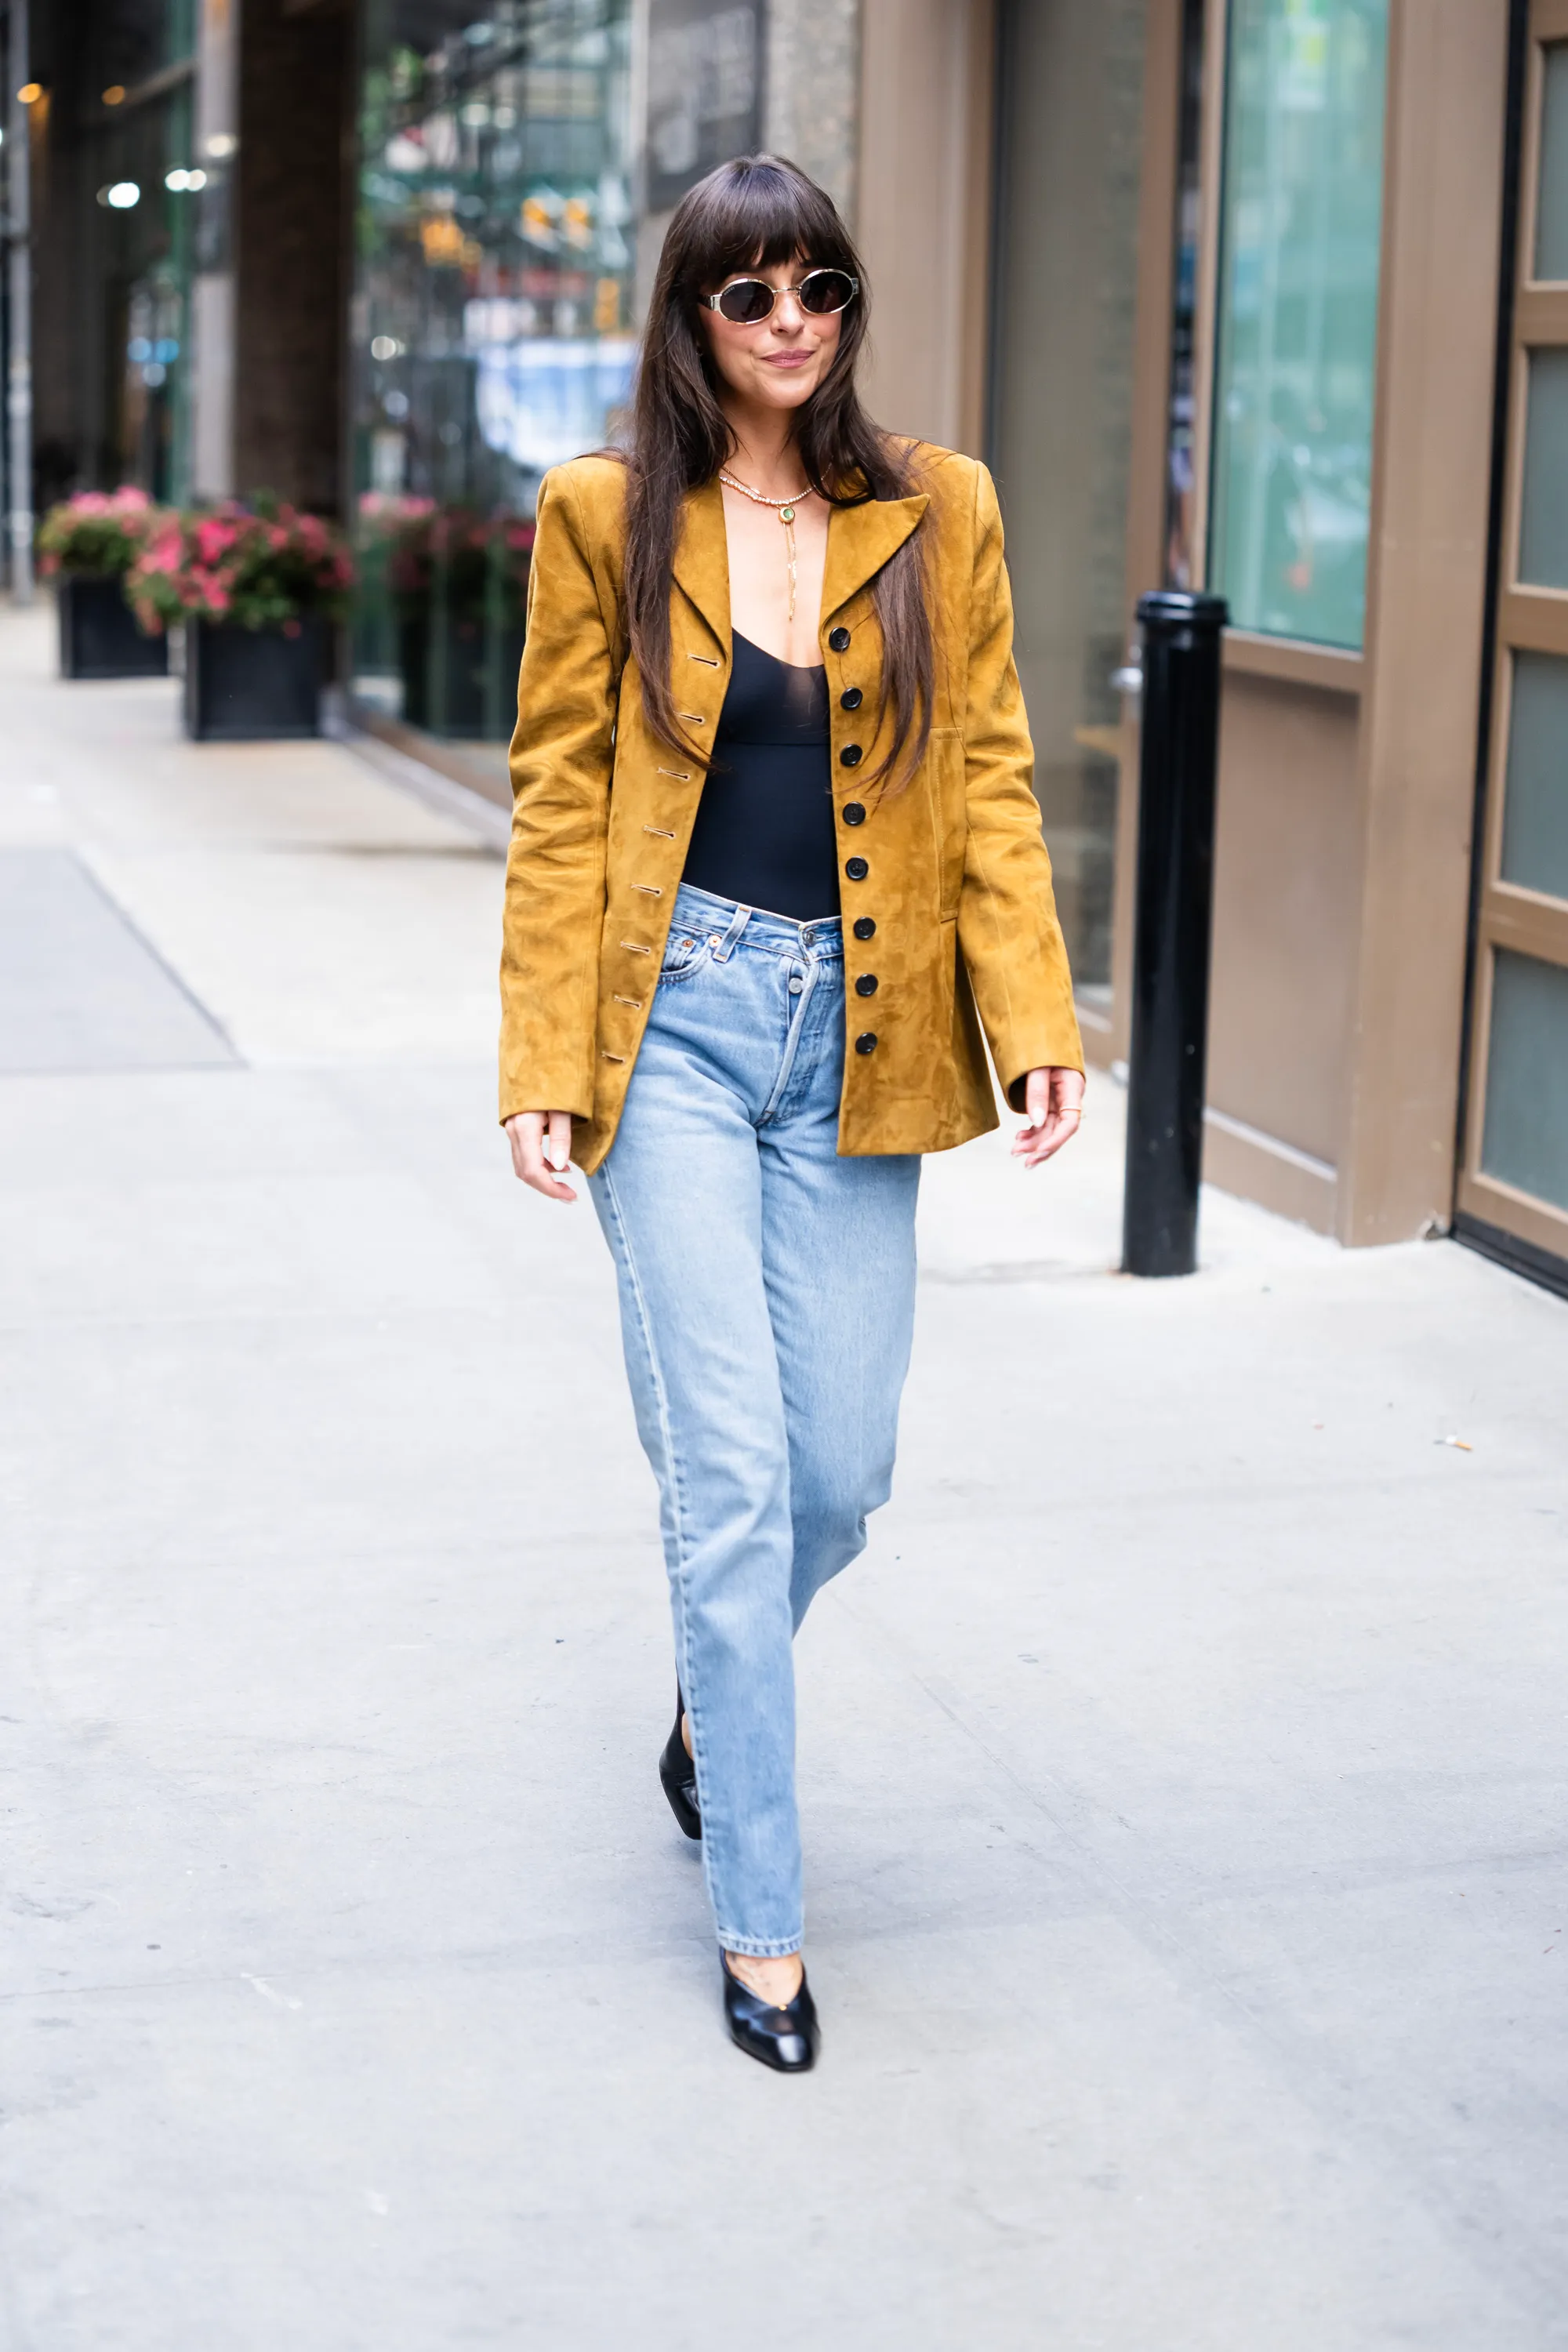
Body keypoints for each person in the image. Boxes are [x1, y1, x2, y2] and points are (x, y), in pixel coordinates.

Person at [499, 154, 1084, 2072]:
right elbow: (561, 797)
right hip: (666, 1026)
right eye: (747, 294)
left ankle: (706, 1678)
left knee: (837, 1476)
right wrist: (540, 1066)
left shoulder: (938, 507)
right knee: (732, 1489)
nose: (787, 324)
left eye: (817, 287)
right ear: (689, 316)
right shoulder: (602, 515)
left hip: (862, 1035)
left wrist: (1036, 1014)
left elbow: (988, 772)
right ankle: (760, 1927)